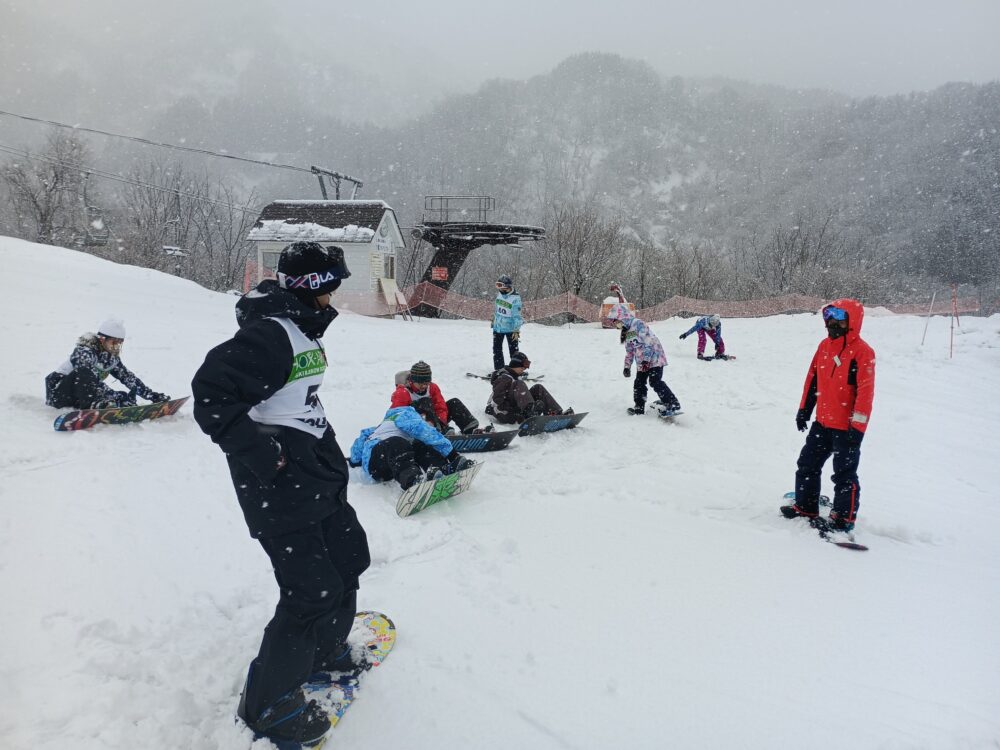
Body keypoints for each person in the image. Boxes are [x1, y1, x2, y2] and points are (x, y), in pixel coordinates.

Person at [191, 242, 370, 748]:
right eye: (331, 284)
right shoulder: (270, 335)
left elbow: (295, 399)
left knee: (348, 558)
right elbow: (211, 393)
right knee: (310, 590)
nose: (336, 294)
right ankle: (269, 705)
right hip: (280, 489)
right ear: (312, 288)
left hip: (315, 475)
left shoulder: (299, 328)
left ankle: (325, 651)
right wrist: (266, 457)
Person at [780, 299, 875, 532]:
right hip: (822, 423)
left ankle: (843, 518)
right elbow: (813, 380)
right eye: (828, 317)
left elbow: (865, 393)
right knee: (807, 464)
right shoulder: (824, 346)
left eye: (838, 317)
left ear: (851, 320)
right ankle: (805, 506)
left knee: (844, 474)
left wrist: (858, 428)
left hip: (846, 428)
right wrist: (804, 410)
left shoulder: (863, 352)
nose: (831, 322)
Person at [44, 318, 170, 410]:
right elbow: (87, 378)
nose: (117, 346)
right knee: (84, 372)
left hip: (80, 395)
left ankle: (100, 403)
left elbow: (127, 377)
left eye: (120, 343)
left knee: (121, 395)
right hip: (59, 393)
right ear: (102, 339)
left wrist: (151, 395)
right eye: (114, 342)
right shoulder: (84, 351)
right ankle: (95, 405)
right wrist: (113, 396)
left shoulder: (110, 358)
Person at [350, 403, 475, 490]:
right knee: (399, 443)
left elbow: (361, 441)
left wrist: (354, 459)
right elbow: (425, 432)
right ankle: (413, 480)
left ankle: (441, 469)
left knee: (419, 445)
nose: (431, 428)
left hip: (385, 463)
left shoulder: (381, 426)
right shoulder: (407, 414)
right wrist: (453, 455)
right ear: (423, 417)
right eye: (431, 425)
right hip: (378, 461)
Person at [605, 303, 682, 417]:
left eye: (615, 321)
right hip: (642, 361)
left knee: (654, 381)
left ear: (622, 317)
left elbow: (649, 343)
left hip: (654, 357)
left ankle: (672, 403)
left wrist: (646, 360)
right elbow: (630, 351)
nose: (615, 324)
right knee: (639, 383)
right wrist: (627, 367)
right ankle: (639, 407)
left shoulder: (638, 324)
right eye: (614, 323)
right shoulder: (626, 332)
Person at [390, 360, 484, 435]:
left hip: (435, 422)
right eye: (420, 383)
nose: (424, 386)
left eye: (426, 383)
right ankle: (438, 431)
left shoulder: (432, 387)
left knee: (454, 403)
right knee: (424, 402)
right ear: (413, 381)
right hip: (416, 426)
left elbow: (441, 407)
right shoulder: (402, 393)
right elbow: (396, 416)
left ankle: (470, 429)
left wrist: (440, 423)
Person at [486, 352, 572, 424]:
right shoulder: (505, 378)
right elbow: (497, 401)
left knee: (538, 388)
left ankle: (556, 413)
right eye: (524, 365)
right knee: (519, 383)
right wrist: (516, 411)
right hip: (504, 413)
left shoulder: (514, 377)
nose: (525, 368)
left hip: (518, 409)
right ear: (517, 364)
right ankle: (530, 412)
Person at [491, 274, 523, 371]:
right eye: (498, 285)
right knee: (496, 350)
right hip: (498, 328)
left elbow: (517, 316)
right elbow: (497, 310)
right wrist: (494, 321)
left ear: (507, 286)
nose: (499, 288)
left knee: (513, 351)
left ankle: (516, 369)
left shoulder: (515, 299)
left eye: (501, 285)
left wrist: (516, 330)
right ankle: (499, 369)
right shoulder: (500, 295)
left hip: (510, 329)